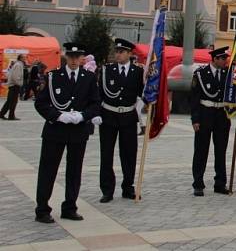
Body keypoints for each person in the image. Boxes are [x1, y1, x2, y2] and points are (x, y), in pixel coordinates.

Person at [34, 43, 100, 223]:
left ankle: (70, 207)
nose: (73, 60)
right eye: (70, 56)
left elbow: (95, 104)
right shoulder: (53, 76)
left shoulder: (88, 78)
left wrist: (82, 116)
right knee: (48, 170)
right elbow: (40, 103)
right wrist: (57, 116)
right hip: (55, 131)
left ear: (82, 58)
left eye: (77, 56)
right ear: (66, 57)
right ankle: (42, 209)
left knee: (74, 170)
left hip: (78, 132)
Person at [98, 38, 144, 202]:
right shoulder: (106, 70)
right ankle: (107, 189)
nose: (118, 55)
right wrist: (97, 114)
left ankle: (128, 187)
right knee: (106, 154)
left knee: (129, 154)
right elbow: (100, 94)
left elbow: (142, 93)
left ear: (130, 54)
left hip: (128, 117)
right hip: (109, 116)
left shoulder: (137, 72)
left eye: (121, 52)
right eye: (116, 52)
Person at [190, 47, 232, 196]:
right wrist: (195, 119)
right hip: (205, 114)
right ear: (214, 59)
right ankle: (198, 183)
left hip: (222, 115)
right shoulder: (200, 74)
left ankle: (220, 183)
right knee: (201, 151)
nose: (225, 61)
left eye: (226, 58)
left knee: (221, 151)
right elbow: (194, 98)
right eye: (222, 59)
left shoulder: (228, 74)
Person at [1, 54, 26, 120]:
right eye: (24, 57)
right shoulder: (18, 65)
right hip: (14, 85)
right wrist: (19, 83)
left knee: (10, 101)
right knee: (13, 101)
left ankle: (2, 114)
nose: (25, 58)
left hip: (14, 85)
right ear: (20, 58)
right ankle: (10, 116)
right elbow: (15, 76)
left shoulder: (18, 64)